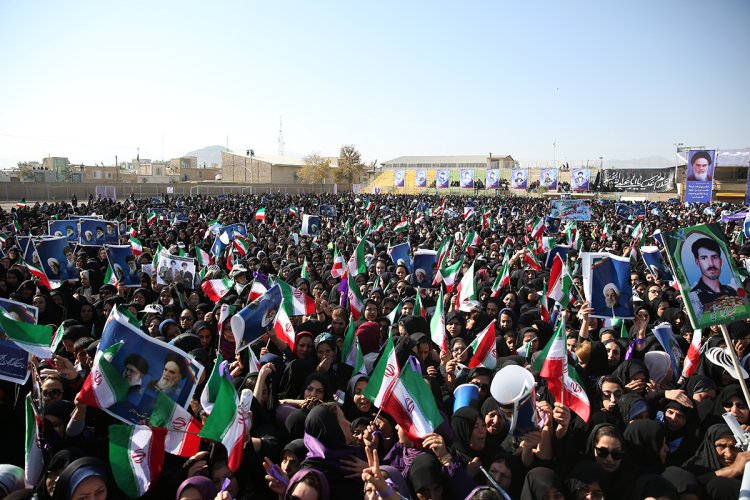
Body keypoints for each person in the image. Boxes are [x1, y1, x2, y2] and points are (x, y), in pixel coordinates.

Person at [688, 236, 743, 316]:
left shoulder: (731, 291)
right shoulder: (694, 296)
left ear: (720, 261)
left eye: (714, 257)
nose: (711, 263)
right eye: (704, 258)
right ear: (697, 262)